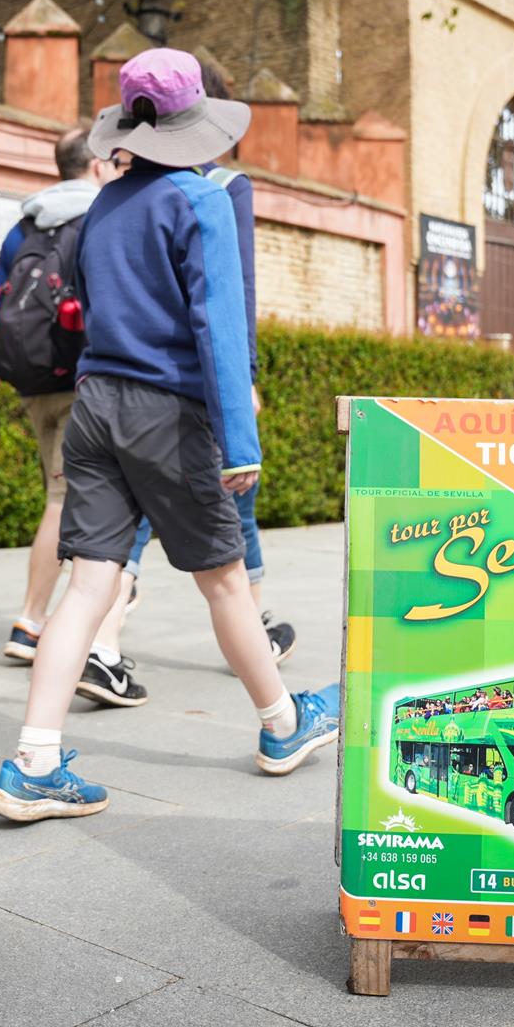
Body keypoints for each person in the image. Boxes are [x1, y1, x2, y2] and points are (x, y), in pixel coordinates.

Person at [0, 48, 339, 823]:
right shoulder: (199, 201)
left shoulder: (102, 204)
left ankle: (34, 761)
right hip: (166, 413)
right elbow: (217, 325)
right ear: (196, 120)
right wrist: (240, 442)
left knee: (88, 585)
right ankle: (284, 724)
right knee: (226, 579)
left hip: (96, 405)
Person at [121, 63, 296, 672]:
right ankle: (256, 652)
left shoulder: (123, 191)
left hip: (114, 390)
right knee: (233, 514)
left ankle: (102, 640)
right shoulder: (221, 188)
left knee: (122, 530)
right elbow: (231, 298)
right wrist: (244, 379)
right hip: (190, 387)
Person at [0, 129, 139, 706]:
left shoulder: (26, 223)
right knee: (70, 505)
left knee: (55, 498)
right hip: (80, 380)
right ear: (96, 165)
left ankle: (33, 621)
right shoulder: (98, 215)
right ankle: (39, 624)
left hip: (30, 383)